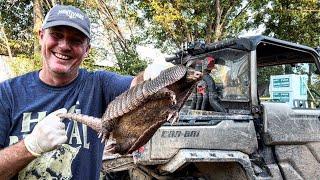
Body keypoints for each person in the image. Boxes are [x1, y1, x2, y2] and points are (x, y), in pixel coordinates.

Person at [0, 4, 145, 179]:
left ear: (87, 50)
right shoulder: (7, 94)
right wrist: (30, 147)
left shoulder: (99, 85)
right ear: (41, 36)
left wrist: (154, 75)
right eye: (56, 35)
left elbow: (137, 85)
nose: (64, 46)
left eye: (76, 40)